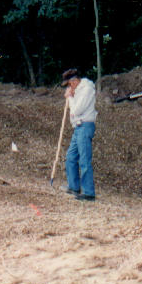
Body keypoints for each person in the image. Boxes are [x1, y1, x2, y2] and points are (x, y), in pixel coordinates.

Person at [61, 68, 97, 201]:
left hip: (85, 126)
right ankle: (74, 186)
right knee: (70, 157)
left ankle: (89, 193)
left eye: (70, 84)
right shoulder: (78, 90)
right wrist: (72, 96)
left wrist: (70, 97)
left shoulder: (87, 90)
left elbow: (76, 110)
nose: (70, 87)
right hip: (78, 127)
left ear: (74, 81)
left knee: (84, 159)